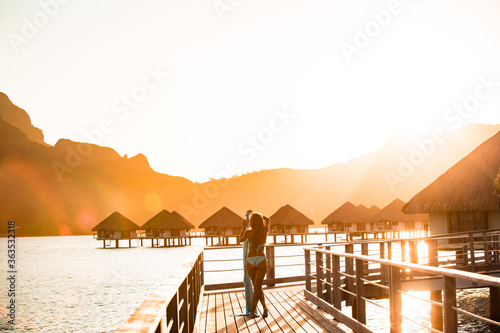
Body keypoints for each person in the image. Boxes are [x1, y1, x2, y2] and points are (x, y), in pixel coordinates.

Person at [239, 212, 270, 318]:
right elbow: (268, 220)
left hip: (250, 261)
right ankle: (252, 312)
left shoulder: (248, 232)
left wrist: (244, 226)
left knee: (257, 286)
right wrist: (260, 216)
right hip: (261, 260)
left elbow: (240, 240)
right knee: (257, 287)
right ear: (261, 221)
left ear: (251, 222)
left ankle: (264, 308)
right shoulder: (264, 230)